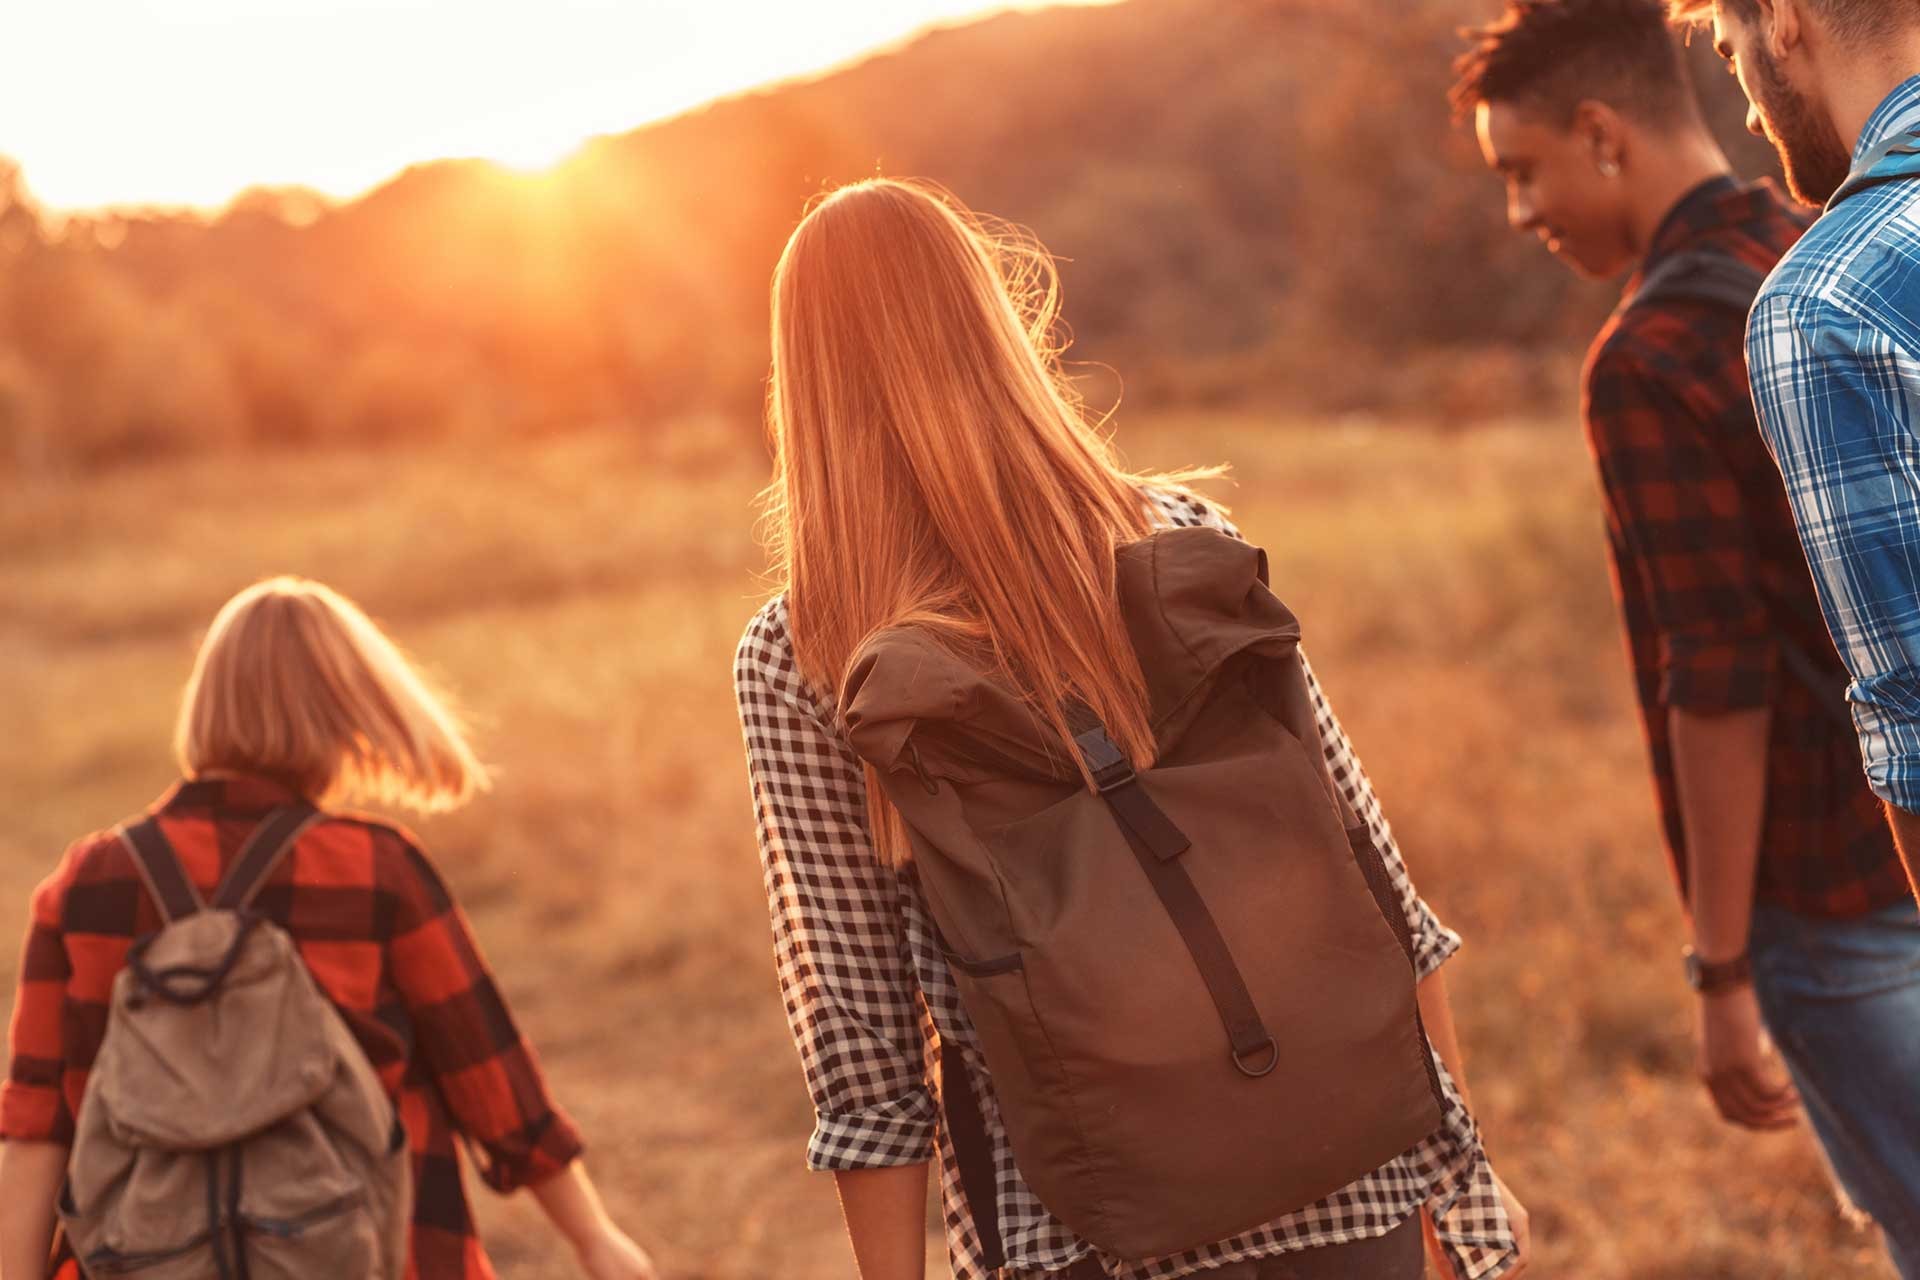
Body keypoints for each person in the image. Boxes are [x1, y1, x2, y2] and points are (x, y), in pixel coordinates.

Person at [732, 177, 1529, 1280]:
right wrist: (1461, 1172)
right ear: (991, 321)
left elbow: (861, 1045)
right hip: (1348, 1176)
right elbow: (1368, 871)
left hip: (1082, 1230)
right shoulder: (1177, 536)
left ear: (802, 385)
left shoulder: (807, 650)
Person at [1457, 2, 1920, 1273]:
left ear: (1602, 137)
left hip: (1830, 885)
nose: (1521, 211)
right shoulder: (1820, 229)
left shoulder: (1657, 351)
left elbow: (1713, 678)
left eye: (1522, 170)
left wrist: (1721, 967)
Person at [0, 577, 658, 1280]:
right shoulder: (375, 869)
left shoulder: (87, 885)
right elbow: (491, 1081)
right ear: (346, 710)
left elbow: (36, 1130)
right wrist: (593, 1236)